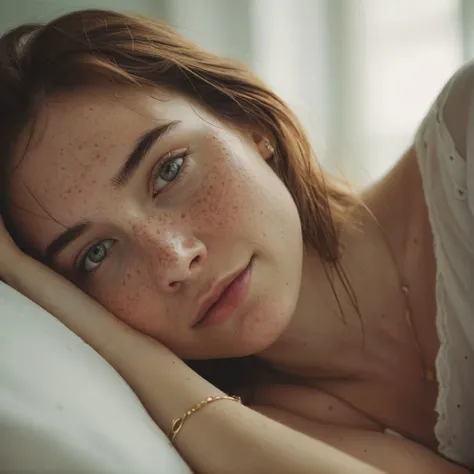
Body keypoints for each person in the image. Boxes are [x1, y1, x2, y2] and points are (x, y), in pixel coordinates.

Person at [0, 9, 471, 474]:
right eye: (96, 254)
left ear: (249, 124)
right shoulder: (256, 432)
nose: (174, 260)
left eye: (169, 170)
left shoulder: (465, 144)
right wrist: (119, 347)